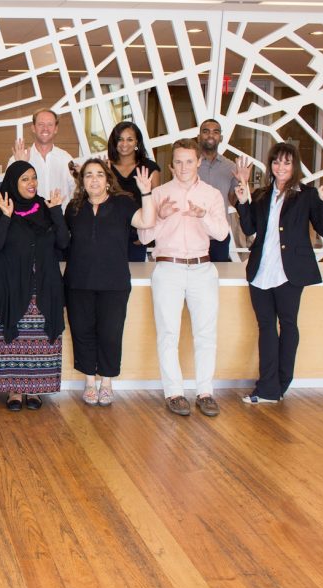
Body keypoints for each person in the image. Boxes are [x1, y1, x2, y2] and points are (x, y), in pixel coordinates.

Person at [234, 144, 323, 404]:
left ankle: (281, 383)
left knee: (288, 325)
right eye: (276, 162)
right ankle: (267, 388)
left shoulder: (308, 195)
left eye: (287, 163)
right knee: (266, 327)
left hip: (290, 272)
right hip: (260, 270)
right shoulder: (261, 195)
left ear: (295, 166)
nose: (281, 168)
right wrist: (243, 199)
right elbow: (248, 228)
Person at [138, 138, 230, 417]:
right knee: (168, 333)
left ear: (198, 162)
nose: (184, 167)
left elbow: (223, 234)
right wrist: (161, 217)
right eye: (178, 161)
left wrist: (202, 217)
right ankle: (174, 392)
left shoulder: (212, 194)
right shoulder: (159, 194)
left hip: (203, 268)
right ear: (171, 164)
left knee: (206, 334)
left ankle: (205, 392)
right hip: (168, 268)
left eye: (189, 161)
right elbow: (144, 237)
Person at [64, 159, 156, 406]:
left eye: (99, 175)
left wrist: (146, 191)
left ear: (108, 179)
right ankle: (89, 382)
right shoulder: (73, 208)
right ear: (82, 181)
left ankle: (106, 382)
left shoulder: (123, 204)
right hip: (78, 282)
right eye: (88, 175)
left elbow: (147, 222)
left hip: (114, 283)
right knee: (82, 333)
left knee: (110, 334)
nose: (94, 179)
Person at [0, 162, 69, 411]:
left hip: (43, 287)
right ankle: (14, 391)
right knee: (12, 343)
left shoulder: (46, 206)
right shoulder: (0, 207)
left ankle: (34, 389)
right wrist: (7, 217)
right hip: (9, 287)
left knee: (38, 342)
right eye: (24, 179)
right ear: (13, 182)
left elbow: (63, 242)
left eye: (34, 178)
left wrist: (57, 211)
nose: (31, 184)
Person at [107, 121, 162, 262]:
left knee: (134, 279)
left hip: (137, 235)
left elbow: (156, 204)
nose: (124, 144)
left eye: (130, 139)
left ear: (137, 142)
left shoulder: (149, 168)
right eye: (120, 139)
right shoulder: (105, 168)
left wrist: (146, 233)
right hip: (107, 234)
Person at [197, 119, 240, 262]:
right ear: (199, 136)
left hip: (219, 234)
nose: (210, 135)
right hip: (193, 233)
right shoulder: (189, 164)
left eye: (215, 132)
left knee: (217, 278)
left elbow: (234, 199)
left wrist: (243, 183)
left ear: (220, 138)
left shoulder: (231, 167)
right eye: (206, 131)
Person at [11, 109, 77, 201]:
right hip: (29, 215)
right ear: (33, 128)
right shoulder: (18, 158)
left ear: (56, 129)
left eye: (50, 124)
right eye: (41, 124)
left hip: (60, 214)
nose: (45, 128)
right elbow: (10, 190)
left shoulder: (66, 158)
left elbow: (76, 189)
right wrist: (20, 165)